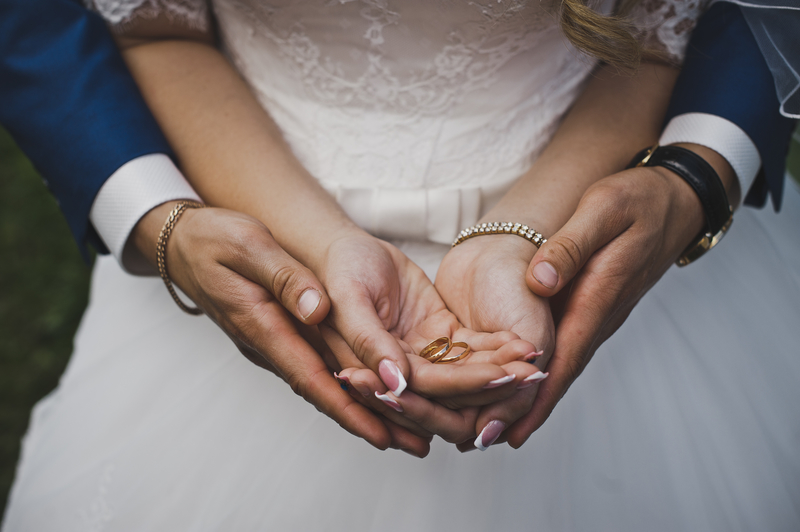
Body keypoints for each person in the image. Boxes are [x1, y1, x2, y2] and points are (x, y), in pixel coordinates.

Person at [2, 2, 799, 532]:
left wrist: (518, 238)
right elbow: (157, 28)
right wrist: (318, 250)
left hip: (584, 222)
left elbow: (651, 40)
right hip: (253, 204)